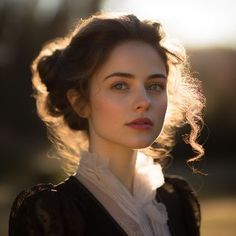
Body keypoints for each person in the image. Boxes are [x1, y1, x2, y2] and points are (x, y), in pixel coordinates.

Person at [9, 13, 205, 236]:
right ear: (80, 102)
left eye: (155, 86)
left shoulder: (178, 200)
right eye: (120, 85)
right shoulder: (52, 212)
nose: (144, 101)